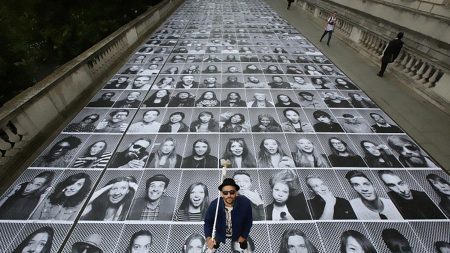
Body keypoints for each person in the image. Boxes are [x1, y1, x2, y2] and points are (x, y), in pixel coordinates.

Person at [204, 178, 253, 252]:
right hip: (220, 232)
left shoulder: (245, 203)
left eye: (232, 192)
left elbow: (248, 221)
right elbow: (208, 222)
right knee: (213, 245)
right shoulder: (215, 204)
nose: (229, 195)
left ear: (236, 192)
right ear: (221, 193)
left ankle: (244, 246)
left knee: (244, 245)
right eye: (225, 193)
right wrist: (208, 238)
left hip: (238, 232)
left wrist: (243, 236)